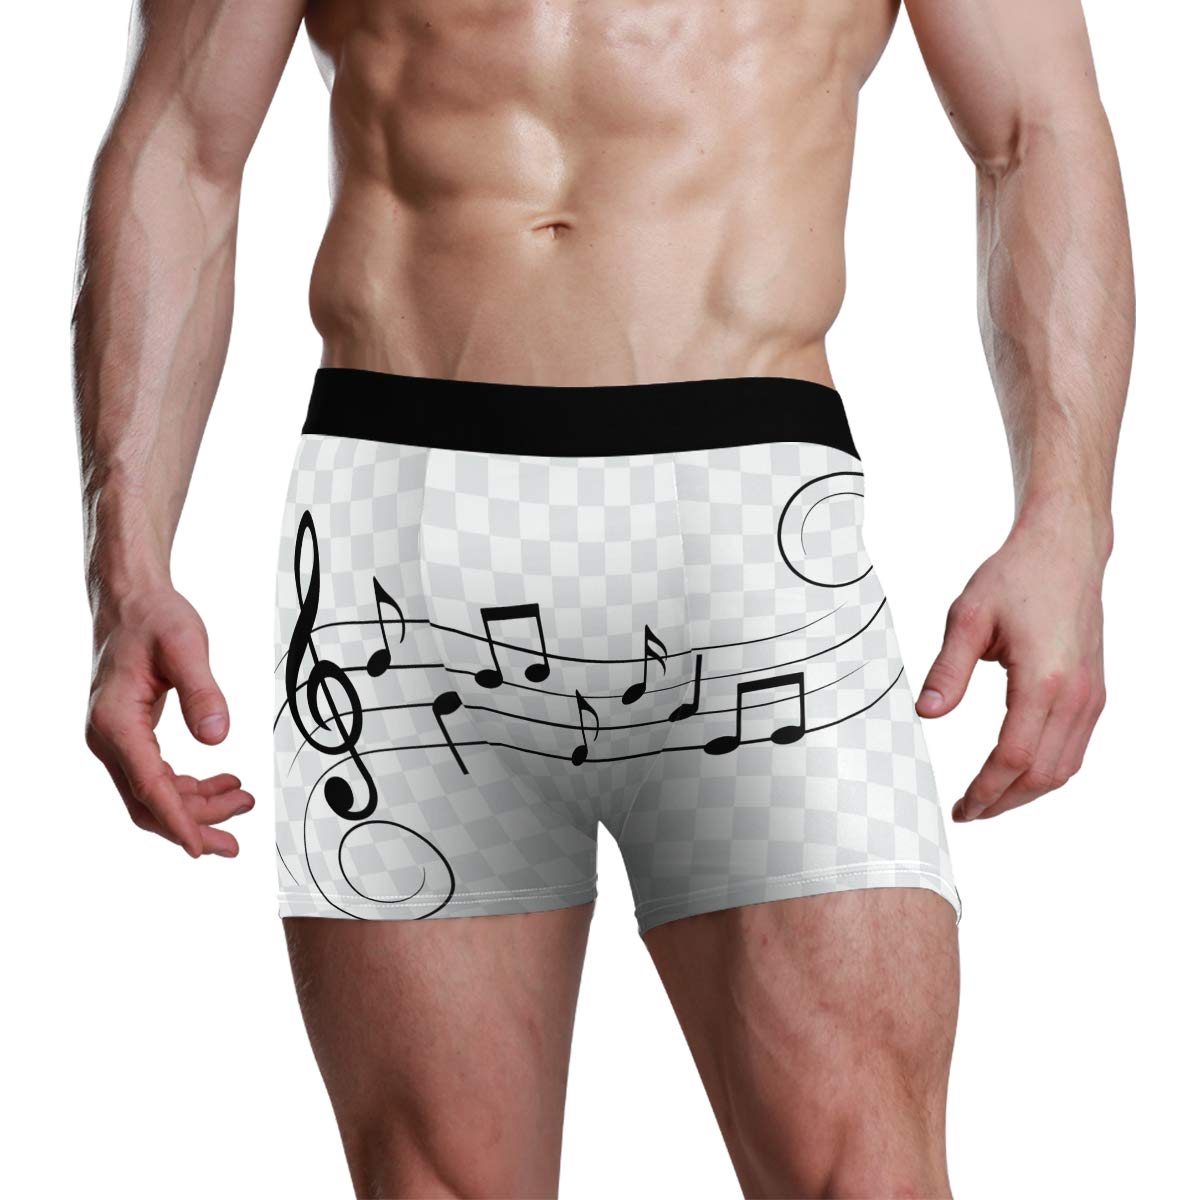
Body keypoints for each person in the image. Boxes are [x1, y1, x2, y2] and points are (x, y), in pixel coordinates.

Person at [73, 1, 1132, 1195]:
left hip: (751, 530)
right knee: (433, 1179)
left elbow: (1035, 129)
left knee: (865, 1169)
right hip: (398, 525)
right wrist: (126, 568)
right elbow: (180, 144)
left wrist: (1068, 524)